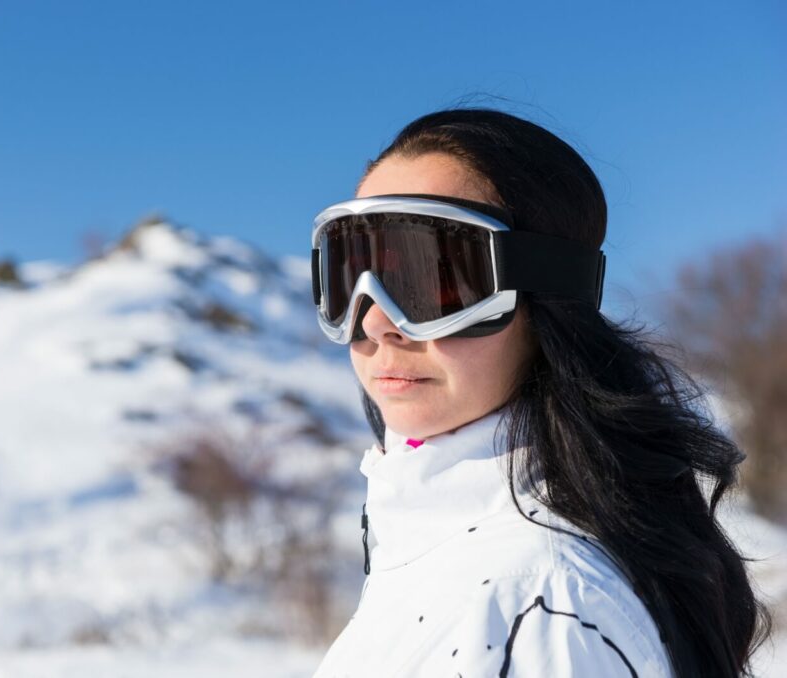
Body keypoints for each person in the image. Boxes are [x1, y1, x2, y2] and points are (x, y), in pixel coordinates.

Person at [309, 108, 770, 677]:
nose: (377, 321)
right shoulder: (438, 547)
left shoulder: (540, 604)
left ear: (544, 298)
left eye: (432, 281)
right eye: (350, 273)